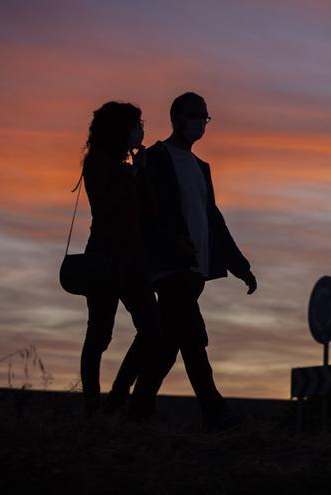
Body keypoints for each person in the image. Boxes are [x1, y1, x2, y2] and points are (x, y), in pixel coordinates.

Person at [129, 92, 257, 431]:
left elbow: (213, 219)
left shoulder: (201, 168)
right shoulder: (157, 157)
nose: (200, 122)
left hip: (195, 268)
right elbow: (145, 210)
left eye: (204, 116)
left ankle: (136, 410)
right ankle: (215, 411)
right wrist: (170, 241)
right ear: (176, 118)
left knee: (171, 344)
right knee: (194, 338)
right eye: (194, 115)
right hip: (170, 267)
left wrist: (240, 265)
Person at [79, 101, 161, 417]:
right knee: (99, 334)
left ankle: (115, 398)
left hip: (134, 259)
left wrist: (140, 173)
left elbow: (151, 210)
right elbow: (108, 205)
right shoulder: (97, 163)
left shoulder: (133, 168)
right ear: (120, 131)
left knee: (153, 330)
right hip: (104, 257)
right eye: (135, 125)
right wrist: (134, 173)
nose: (140, 131)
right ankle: (91, 407)